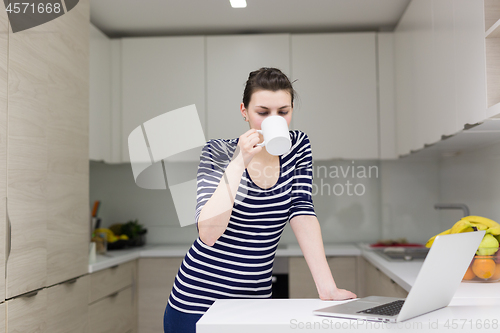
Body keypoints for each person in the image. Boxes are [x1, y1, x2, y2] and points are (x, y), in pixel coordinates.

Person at [163, 67, 357, 333]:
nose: (274, 120)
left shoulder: (297, 146)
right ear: (244, 111)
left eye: (283, 112)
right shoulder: (217, 151)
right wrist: (240, 161)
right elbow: (208, 233)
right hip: (199, 303)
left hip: (256, 301)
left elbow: (301, 210)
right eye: (263, 113)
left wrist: (327, 288)